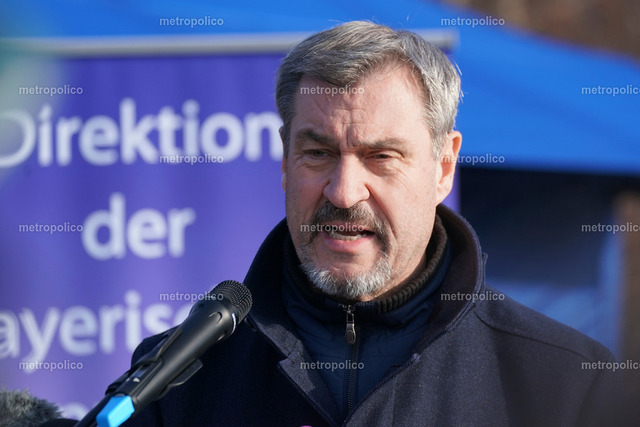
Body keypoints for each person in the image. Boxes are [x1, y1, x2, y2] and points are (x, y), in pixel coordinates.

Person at [123, 21, 623, 426]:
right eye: (318, 153)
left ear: (443, 167)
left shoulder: (568, 383)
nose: (344, 193)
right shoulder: (171, 383)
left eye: (381, 157)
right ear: (285, 158)